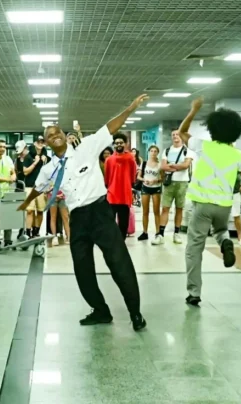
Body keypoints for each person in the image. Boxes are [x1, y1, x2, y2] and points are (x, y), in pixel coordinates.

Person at [19, 94, 148, 331]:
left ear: (64, 134)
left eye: (57, 131)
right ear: (46, 143)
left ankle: (135, 313)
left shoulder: (87, 147)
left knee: (119, 263)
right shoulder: (49, 168)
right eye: (49, 135)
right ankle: (100, 311)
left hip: (100, 213)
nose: (54, 135)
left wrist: (130, 108)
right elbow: (38, 188)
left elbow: (110, 127)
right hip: (77, 218)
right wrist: (24, 203)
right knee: (82, 269)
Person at [179, 98, 241, 306]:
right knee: (219, 230)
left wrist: (193, 110)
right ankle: (225, 242)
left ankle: (194, 292)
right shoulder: (238, 154)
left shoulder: (202, 146)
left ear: (212, 129)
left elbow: (182, 132)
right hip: (224, 205)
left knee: (194, 248)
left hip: (202, 204)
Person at [154, 130, 193, 246]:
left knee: (179, 208)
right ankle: (160, 234)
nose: (175, 136)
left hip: (182, 183)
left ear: (182, 137)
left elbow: (186, 166)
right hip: (169, 183)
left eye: (177, 135)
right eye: (173, 135)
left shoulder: (188, 151)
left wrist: (171, 165)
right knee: (165, 208)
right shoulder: (167, 151)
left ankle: (177, 233)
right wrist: (177, 167)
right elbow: (163, 166)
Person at [104, 132, 136, 238]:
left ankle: (122, 240)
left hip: (125, 194)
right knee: (110, 220)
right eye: (116, 143)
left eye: (121, 142)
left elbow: (133, 174)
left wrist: (130, 186)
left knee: (123, 221)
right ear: (114, 144)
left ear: (125, 144)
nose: (119, 145)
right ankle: (112, 239)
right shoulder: (109, 160)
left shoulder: (130, 158)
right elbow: (106, 177)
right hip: (112, 194)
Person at [23, 136, 49, 238]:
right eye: (38, 141)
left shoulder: (46, 158)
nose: (40, 143)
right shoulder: (28, 157)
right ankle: (28, 231)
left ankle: (36, 231)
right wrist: (35, 162)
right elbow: (25, 172)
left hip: (41, 187)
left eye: (42, 141)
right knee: (29, 210)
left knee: (40, 210)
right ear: (34, 143)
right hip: (30, 186)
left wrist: (44, 162)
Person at [137, 145, 162, 241]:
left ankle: (158, 232)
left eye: (155, 151)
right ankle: (145, 232)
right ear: (149, 152)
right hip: (145, 188)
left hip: (156, 188)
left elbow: (162, 178)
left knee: (156, 211)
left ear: (157, 153)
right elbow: (138, 176)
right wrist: (144, 180)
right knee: (145, 211)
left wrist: (155, 181)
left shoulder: (160, 165)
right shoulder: (144, 163)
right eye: (151, 151)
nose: (153, 153)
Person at [231, 174, 241, 246]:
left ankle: (240, 237)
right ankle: (222, 237)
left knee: (236, 215)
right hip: (222, 193)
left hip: (235, 193)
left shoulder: (237, 163)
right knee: (221, 215)